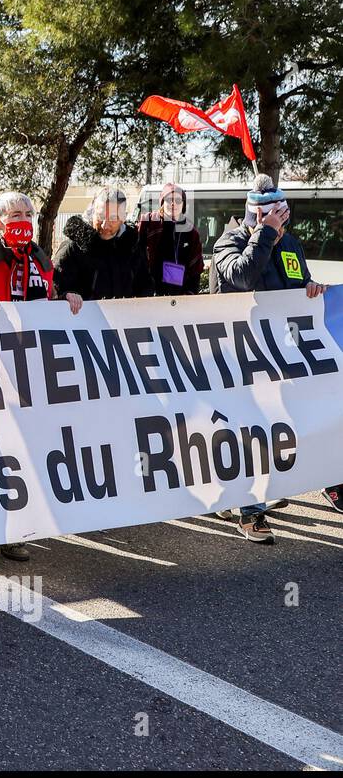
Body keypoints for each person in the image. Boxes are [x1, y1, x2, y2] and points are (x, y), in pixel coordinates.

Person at [0, 191, 76, 568]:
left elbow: (45, 307)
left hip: (30, 375)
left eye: (27, 213)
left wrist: (66, 301)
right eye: (13, 214)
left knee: (23, 456)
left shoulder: (41, 262)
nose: (21, 219)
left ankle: (13, 533)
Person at [209, 174, 327, 543]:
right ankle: (249, 512)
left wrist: (309, 287)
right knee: (247, 430)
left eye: (283, 210)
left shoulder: (289, 243)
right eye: (274, 212)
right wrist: (264, 235)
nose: (282, 218)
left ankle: (257, 493)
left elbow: (295, 281)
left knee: (279, 426)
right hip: (239, 355)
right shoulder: (229, 241)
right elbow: (241, 280)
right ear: (257, 213)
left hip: (280, 353)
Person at [52, 187, 154, 301]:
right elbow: (56, 287)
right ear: (92, 212)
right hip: (82, 316)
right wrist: (67, 294)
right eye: (100, 217)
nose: (105, 225)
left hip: (124, 316)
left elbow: (145, 286)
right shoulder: (74, 246)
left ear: (123, 217)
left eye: (113, 218)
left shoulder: (132, 247)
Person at [136, 181, 204, 295]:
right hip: (148, 294)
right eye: (169, 200)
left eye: (178, 200)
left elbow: (195, 271)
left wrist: (190, 293)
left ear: (183, 204)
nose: (173, 204)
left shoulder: (191, 232)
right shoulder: (148, 223)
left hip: (179, 296)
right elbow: (136, 257)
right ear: (162, 202)